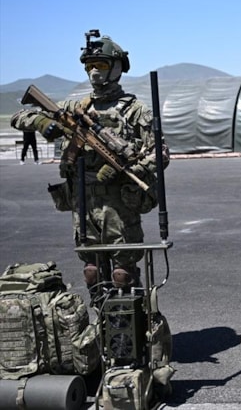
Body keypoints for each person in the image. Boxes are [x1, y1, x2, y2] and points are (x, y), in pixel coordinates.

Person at [10, 31, 165, 291]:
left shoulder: (135, 110)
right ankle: (100, 314)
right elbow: (19, 116)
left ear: (117, 68)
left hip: (119, 204)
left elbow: (160, 153)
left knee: (122, 275)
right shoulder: (75, 107)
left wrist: (126, 169)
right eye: (89, 66)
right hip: (83, 201)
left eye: (101, 65)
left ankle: (130, 315)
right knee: (92, 272)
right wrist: (41, 122)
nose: (94, 71)